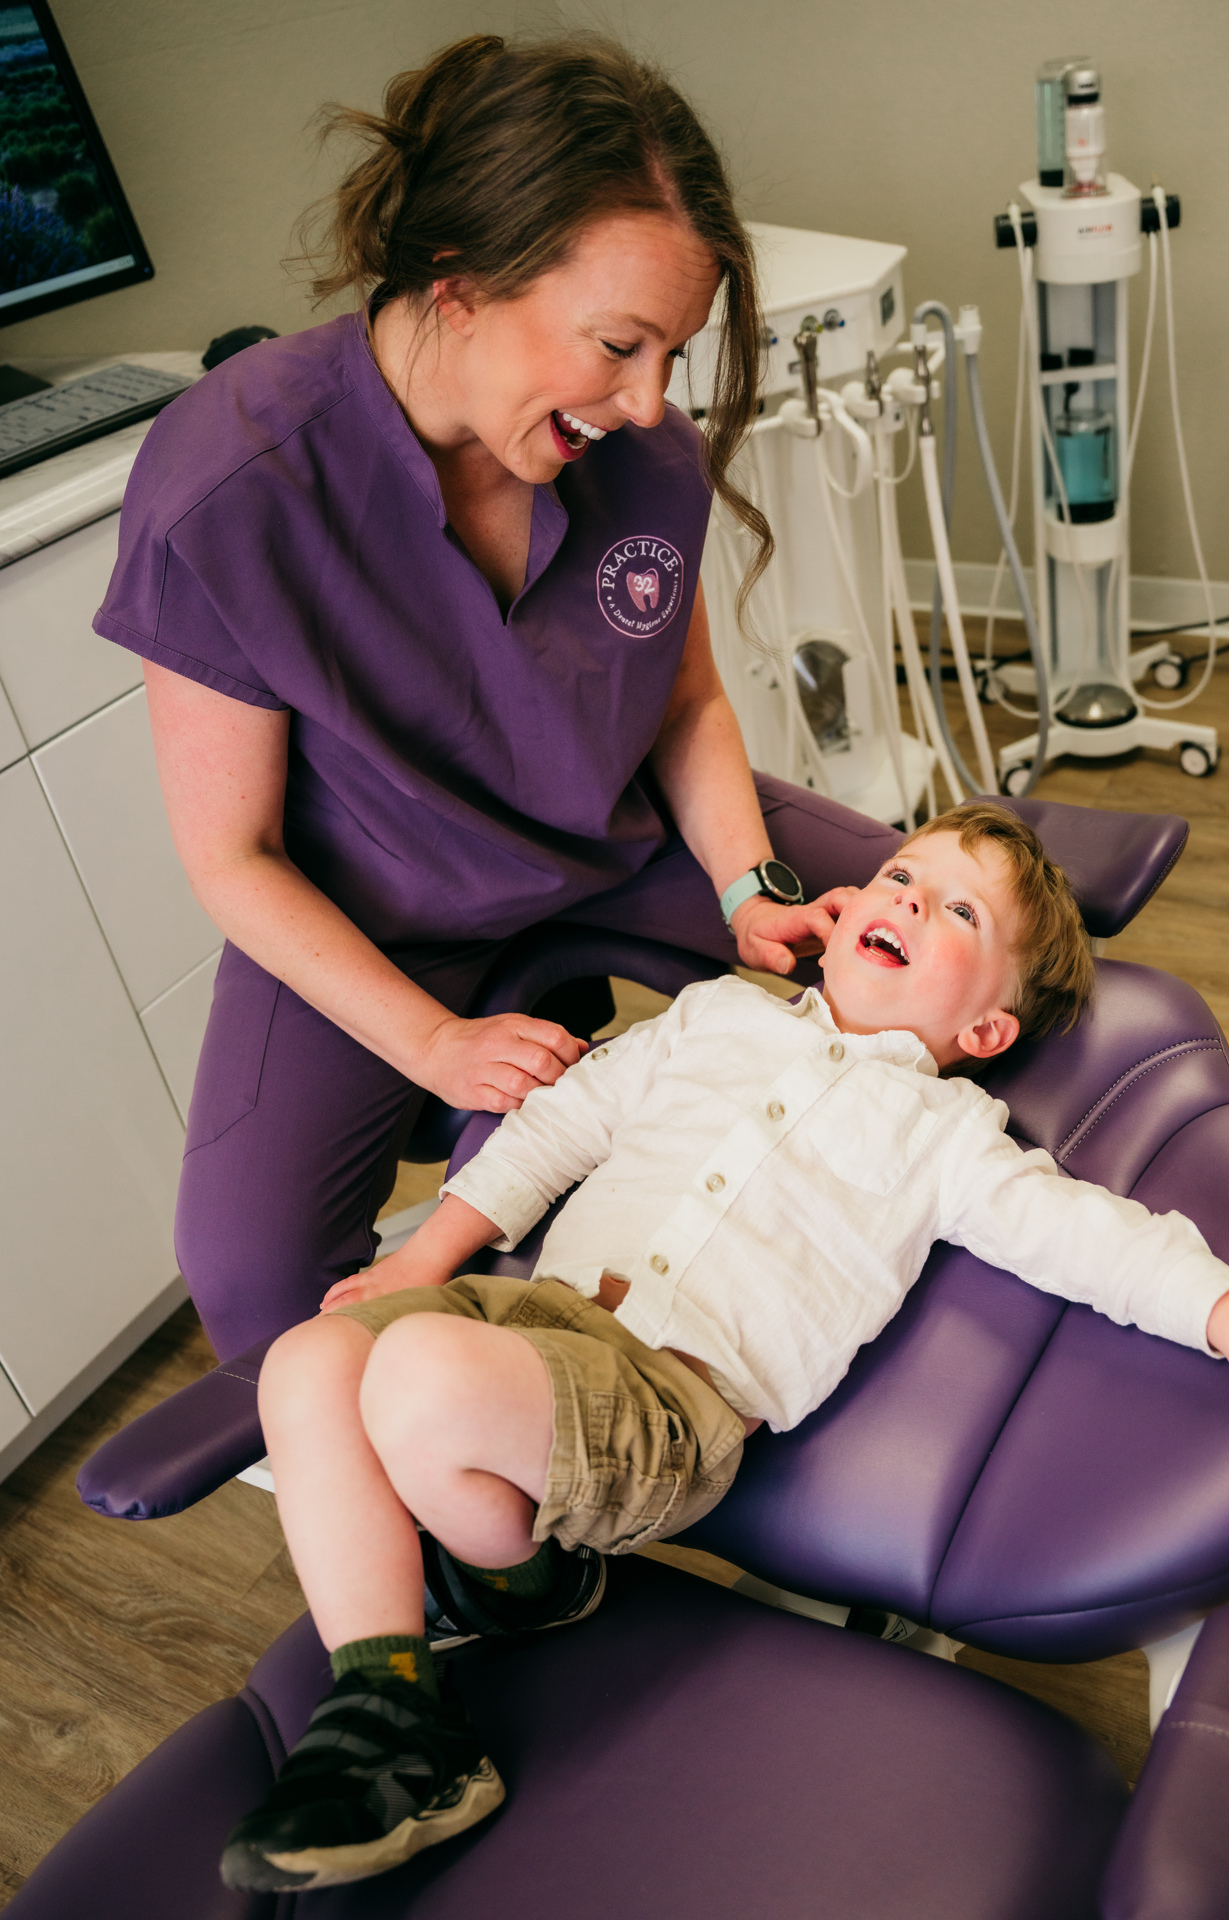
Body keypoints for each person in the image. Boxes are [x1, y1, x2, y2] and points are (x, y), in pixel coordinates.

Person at [220, 805, 1229, 1893]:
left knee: (416, 1383)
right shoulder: (714, 1016)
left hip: (665, 1409)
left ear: (985, 1026)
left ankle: (511, 1579)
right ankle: (389, 1707)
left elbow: (1095, 1240)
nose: (902, 900)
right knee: (305, 1365)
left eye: (957, 912)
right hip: (523, 1337)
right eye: (900, 876)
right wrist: (431, 1259)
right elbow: (559, 1129)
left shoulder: (948, 1135)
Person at [93, 33, 903, 1363]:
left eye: (673, 357)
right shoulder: (229, 489)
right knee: (249, 1276)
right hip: (382, 910)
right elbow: (231, 858)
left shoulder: (638, 460)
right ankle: (466, 1526)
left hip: (622, 846)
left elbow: (689, 706)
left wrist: (749, 885)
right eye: (620, 346)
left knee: (952, 950)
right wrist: (434, 1046)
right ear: (458, 285)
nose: (651, 404)